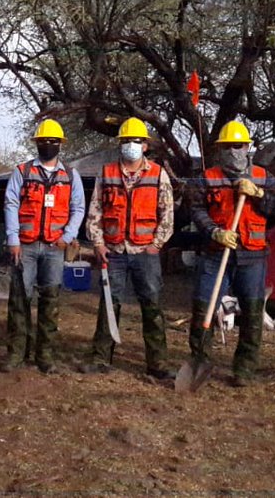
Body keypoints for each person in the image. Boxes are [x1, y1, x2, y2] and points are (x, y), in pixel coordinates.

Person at [186, 120, 275, 385]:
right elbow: (195, 210)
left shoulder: (264, 177)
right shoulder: (206, 178)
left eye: (238, 146)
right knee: (203, 309)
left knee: (252, 314)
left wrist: (259, 194)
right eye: (228, 147)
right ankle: (200, 360)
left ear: (248, 148)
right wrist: (214, 231)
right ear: (219, 149)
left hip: (252, 257)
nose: (233, 151)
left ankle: (244, 369)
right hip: (215, 253)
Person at [81, 117, 176, 379]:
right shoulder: (107, 172)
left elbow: (167, 213)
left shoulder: (158, 174)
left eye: (136, 141)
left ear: (145, 146)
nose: (131, 145)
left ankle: (157, 364)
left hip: (145, 253)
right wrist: (98, 242)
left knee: (152, 306)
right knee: (109, 306)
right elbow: (95, 210)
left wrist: (156, 244)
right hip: (114, 252)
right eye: (126, 141)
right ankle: (101, 358)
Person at [2, 119, 86, 374]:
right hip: (25, 247)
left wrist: (68, 235)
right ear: (36, 143)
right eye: (43, 141)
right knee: (19, 300)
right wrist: (13, 239)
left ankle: (45, 356)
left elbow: (78, 208)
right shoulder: (23, 171)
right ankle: (17, 354)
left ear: (60, 144)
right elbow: (11, 203)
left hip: (54, 248)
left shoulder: (71, 175)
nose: (48, 145)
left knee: (50, 302)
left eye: (52, 141)